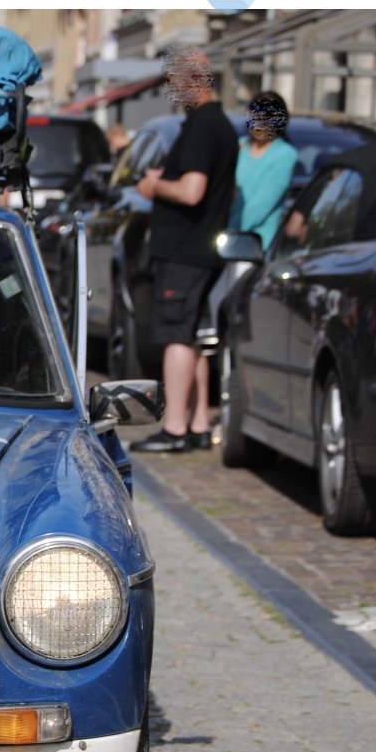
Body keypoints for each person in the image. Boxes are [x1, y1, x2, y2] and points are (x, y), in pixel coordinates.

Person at [130, 46, 237, 454]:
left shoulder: (202, 128)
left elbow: (192, 191)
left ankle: (174, 428)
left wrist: (154, 184)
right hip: (199, 249)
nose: (171, 91)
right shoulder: (218, 125)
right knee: (192, 337)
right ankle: (195, 423)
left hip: (185, 250)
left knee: (176, 335)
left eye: (174, 82)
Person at [203, 92, 299, 340]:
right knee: (215, 301)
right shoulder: (240, 147)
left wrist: (226, 229)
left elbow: (261, 205)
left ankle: (231, 352)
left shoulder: (285, 155)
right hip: (224, 240)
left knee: (234, 304)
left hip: (252, 245)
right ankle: (219, 352)